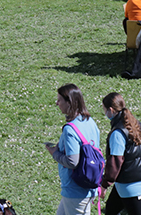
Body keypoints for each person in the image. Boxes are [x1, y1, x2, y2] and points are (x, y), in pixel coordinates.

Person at [45, 84, 101, 215]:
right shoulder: (89, 121)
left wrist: (54, 153)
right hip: (88, 183)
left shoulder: (70, 129)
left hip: (75, 190)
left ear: (69, 102)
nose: (57, 103)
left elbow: (72, 162)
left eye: (60, 100)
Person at [100, 93, 141, 215]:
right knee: (110, 210)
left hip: (130, 185)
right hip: (133, 179)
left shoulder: (117, 133)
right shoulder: (135, 123)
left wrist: (104, 185)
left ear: (111, 110)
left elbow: (115, 163)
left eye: (104, 109)